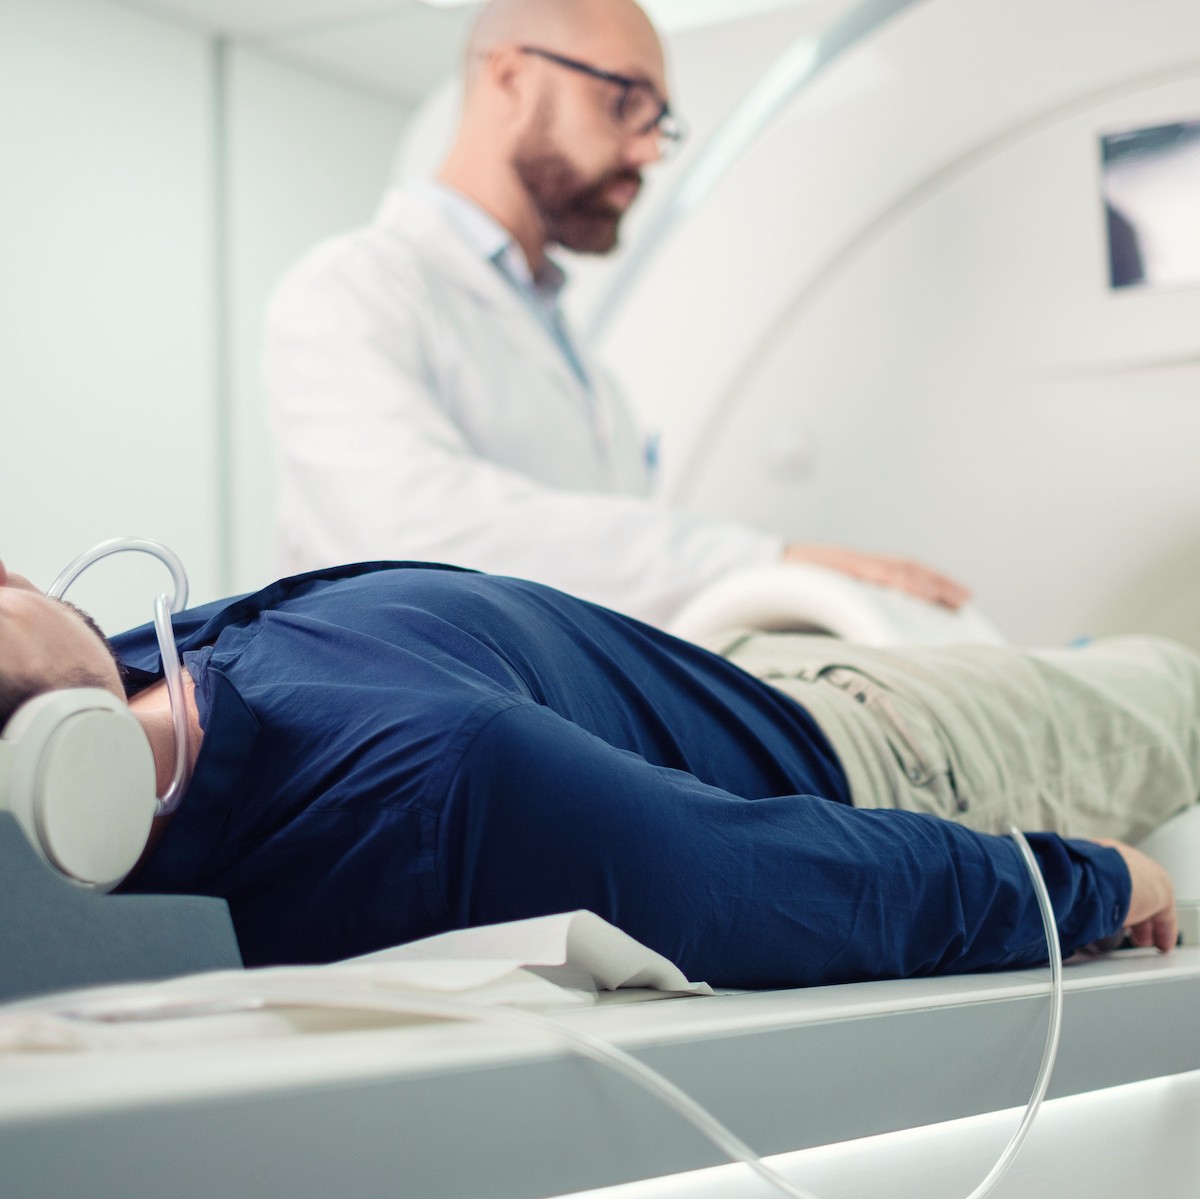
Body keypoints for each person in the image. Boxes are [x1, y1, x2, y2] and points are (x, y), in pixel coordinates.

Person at [0, 556, 1184, 990]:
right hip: (886, 750)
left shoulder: (156, 659)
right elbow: (761, 879)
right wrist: (1079, 880)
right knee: (1175, 684)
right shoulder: (420, 781)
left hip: (738, 673)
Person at [263, 0, 969, 627]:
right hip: (398, 748)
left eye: (659, 122)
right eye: (625, 102)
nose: (646, 152)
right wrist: (761, 562)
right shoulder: (350, 288)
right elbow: (409, 530)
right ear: (511, 77)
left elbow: (603, 578)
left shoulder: (581, 364)